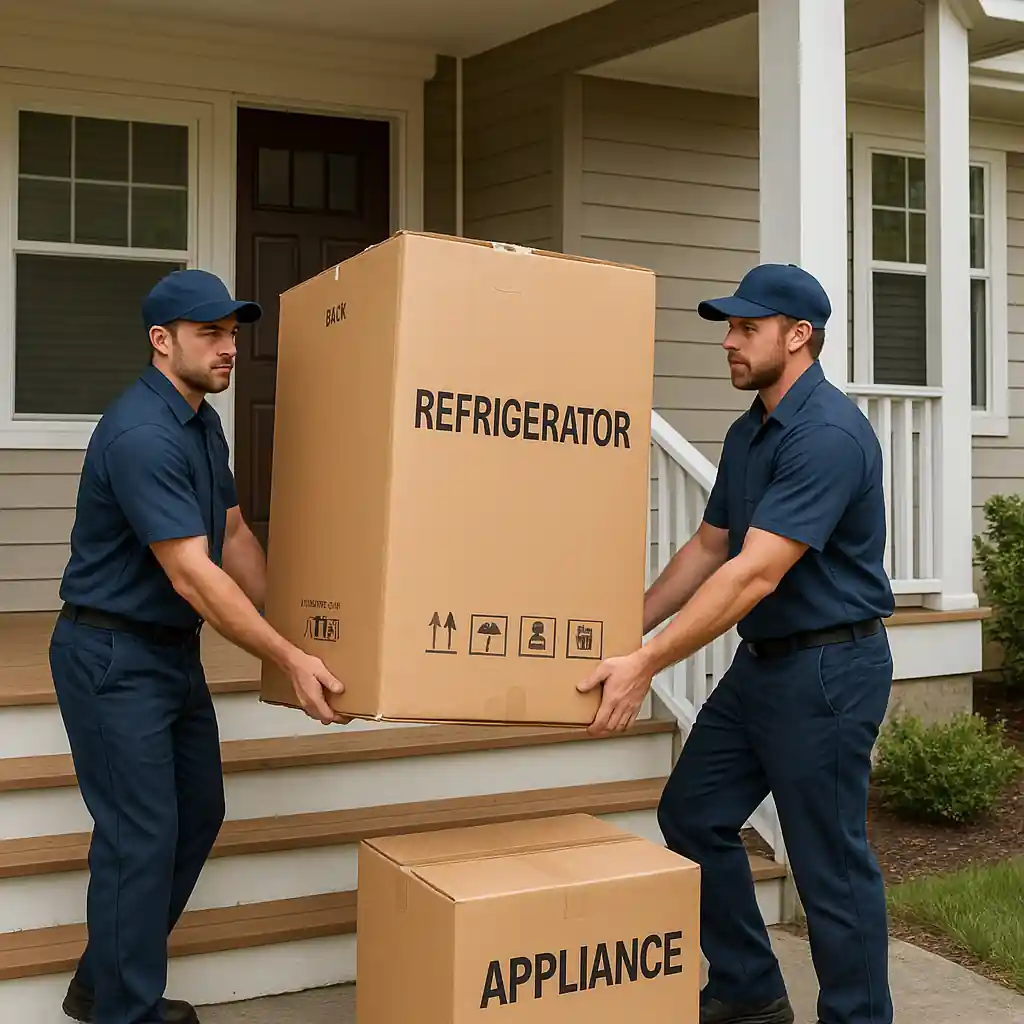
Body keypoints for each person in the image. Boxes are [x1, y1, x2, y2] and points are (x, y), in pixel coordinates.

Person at [578, 263, 896, 1024]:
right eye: (729, 326)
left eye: (746, 328)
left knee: (829, 867)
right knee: (693, 814)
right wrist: (629, 627)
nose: (729, 341)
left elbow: (755, 574)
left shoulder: (825, 435)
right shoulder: (751, 429)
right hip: (764, 667)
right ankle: (750, 987)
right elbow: (710, 547)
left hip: (829, 670)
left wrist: (648, 663)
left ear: (798, 337)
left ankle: (858, 1017)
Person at [49, 269, 350, 1024]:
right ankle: (124, 1011)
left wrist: (298, 627)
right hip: (111, 655)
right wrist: (286, 657)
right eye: (209, 333)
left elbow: (235, 533)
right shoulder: (142, 432)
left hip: (167, 654)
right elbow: (191, 573)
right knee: (140, 834)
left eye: (232, 333)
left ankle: (101, 982)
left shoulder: (199, 420)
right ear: (163, 341)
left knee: (197, 812)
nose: (228, 349)